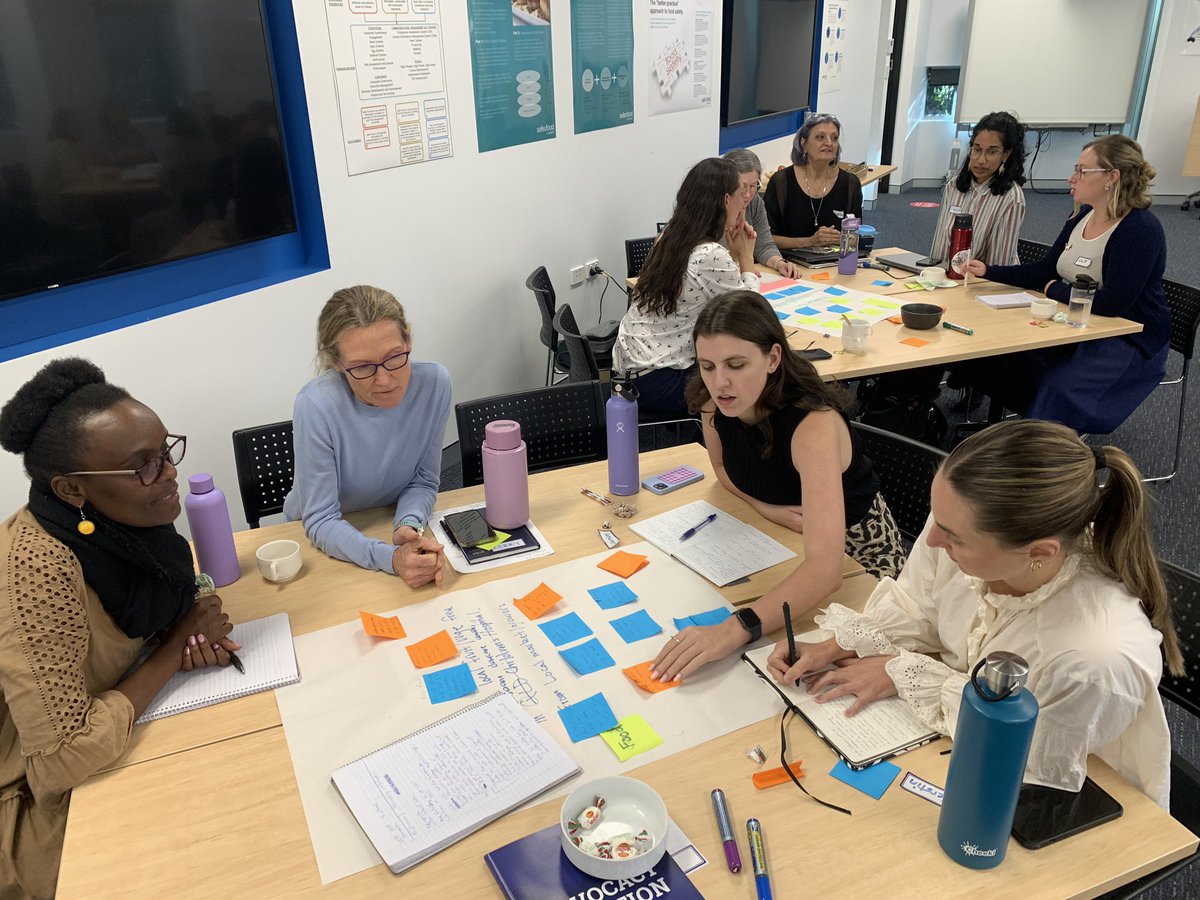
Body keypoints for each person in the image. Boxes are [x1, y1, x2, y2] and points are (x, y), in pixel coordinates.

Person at [768, 420, 1181, 809]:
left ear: (1039, 553)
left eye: (953, 538)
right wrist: (840, 645)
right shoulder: (965, 523)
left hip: (1061, 794)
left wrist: (901, 670)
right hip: (968, 746)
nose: (931, 538)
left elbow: (1026, 752)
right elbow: (921, 606)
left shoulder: (1091, 656)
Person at [0, 358, 238, 897]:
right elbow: (61, 758)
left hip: (109, 727)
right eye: (145, 466)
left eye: (166, 452)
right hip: (27, 799)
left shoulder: (121, 530)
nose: (170, 472)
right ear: (70, 490)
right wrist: (174, 649)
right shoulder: (38, 572)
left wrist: (181, 631)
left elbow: (149, 619)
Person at [650, 292, 907, 683]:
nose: (720, 382)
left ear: (772, 358)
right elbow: (722, 468)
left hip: (858, 557)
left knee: (803, 674)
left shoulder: (812, 425)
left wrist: (735, 629)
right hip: (779, 536)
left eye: (737, 365)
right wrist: (765, 507)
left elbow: (825, 570)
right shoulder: (712, 401)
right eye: (707, 365)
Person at [959, 135, 1169, 433]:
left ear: (1112, 177)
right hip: (1077, 318)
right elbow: (1044, 270)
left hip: (1129, 335)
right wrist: (989, 271)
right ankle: (1022, 434)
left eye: (1082, 171)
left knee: (1059, 386)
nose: (1072, 178)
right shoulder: (1082, 216)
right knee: (1000, 358)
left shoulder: (1140, 229)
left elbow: (1113, 303)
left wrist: (1053, 289)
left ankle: (1046, 454)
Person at [283, 285, 451, 587]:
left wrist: (408, 524)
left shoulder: (435, 384)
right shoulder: (316, 405)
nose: (384, 379)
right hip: (322, 542)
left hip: (384, 521)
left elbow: (423, 480)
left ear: (408, 340)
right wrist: (391, 558)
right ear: (336, 362)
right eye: (362, 367)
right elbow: (320, 520)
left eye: (395, 357)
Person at [613, 157, 760, 415]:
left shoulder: (671, 235)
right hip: (658, 380)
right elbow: (751, 317)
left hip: (630, 370)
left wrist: (734, 257)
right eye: (740, 194)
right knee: (749, 378)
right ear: (726, 200)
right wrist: (745, 258)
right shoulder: (711, 255)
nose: (744, 202)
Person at [928, 111, 1027, 267]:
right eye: (977, 149)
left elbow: (999, 267)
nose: (981, 160)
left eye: (992, 152)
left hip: (983, 283)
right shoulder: (954, 186)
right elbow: (939, 246)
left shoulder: (1011, 198)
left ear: (1006, 155)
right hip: (949, 278)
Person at [763, 113, 863, 250]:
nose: (829, 143)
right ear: (803, 144)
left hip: (835, 264)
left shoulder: (851, 184)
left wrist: (842, 239)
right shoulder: (781, 182)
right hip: (789, 266)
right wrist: (810, 241)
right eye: (820, 137)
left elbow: (856, 237)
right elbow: (766, 239)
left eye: (834, 138)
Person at [722, 148, 800, 278]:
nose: (747, 195)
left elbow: (763, 245)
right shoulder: (709, 208)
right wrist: (741, 268)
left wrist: (780, 263)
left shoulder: (755, 202)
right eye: (742, 187)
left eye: (753, 186)